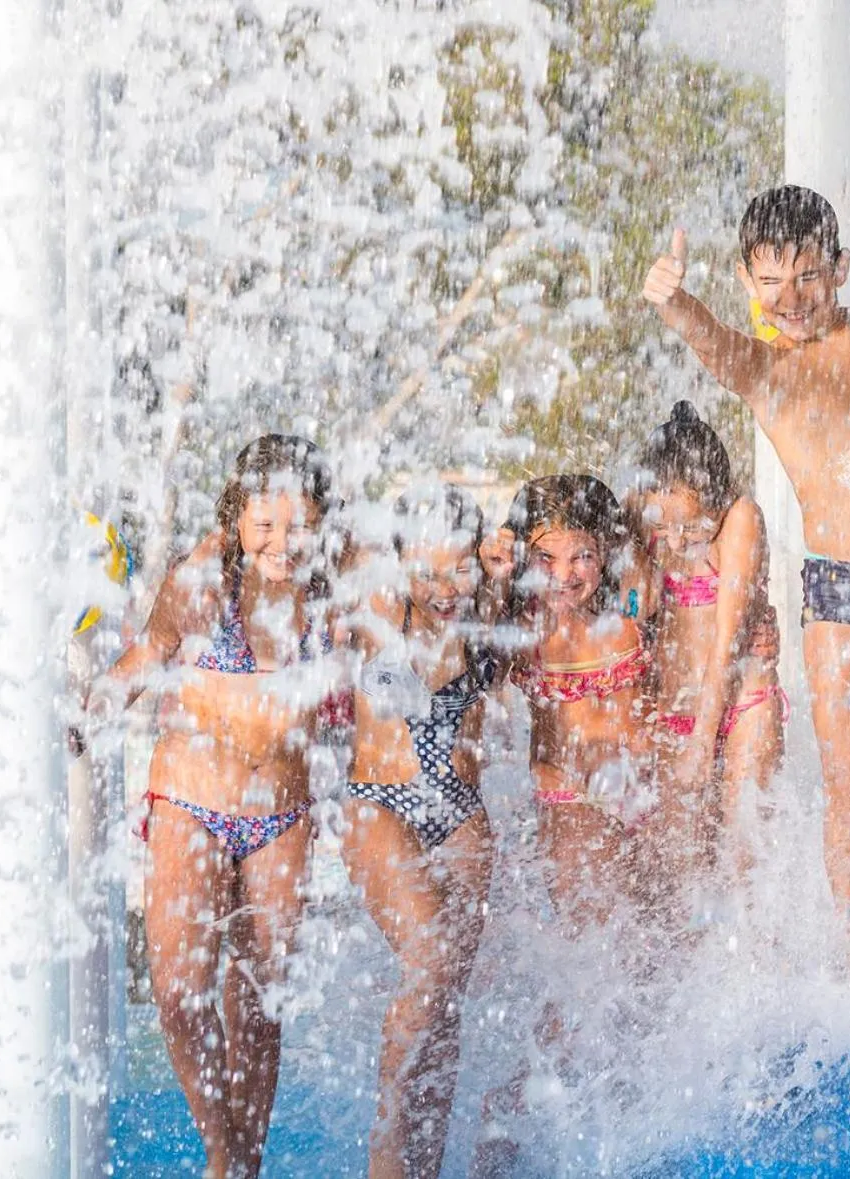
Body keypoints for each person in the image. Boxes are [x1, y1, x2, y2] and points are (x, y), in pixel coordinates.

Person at [640, 187, 850, 994]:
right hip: (842, 599)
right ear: (745, 281)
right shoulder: (765, 369)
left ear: (838, 270)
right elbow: (711, 341)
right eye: (770, 283)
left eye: (808, 277)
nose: (790, 300)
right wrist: (675, 301)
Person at [72, 434, 340, 1179]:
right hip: (192, 795)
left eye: (299, 524)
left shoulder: (334, 585)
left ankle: (241, 1166)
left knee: (257, 1002)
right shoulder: (203, 575)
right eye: (266, 523)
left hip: (280, 814)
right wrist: (87, 710)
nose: (283, 542)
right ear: (238, 514)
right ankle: (224, 1148)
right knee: (180, 988)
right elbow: (147, 656)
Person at [473, 474, 665, 1177]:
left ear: (605, 550)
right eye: (545, 559)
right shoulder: (527, 630)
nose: (564, 575)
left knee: (644, 968)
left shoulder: (635, 608)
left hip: (641, 806)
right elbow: (477, 654)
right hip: (571, 810)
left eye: (579, 556)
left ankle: (623, 1115)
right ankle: (510, 1105)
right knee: (596, 968)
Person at [342, 484, 499, 1179]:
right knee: (430, 961)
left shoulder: (493, 613)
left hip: (459, 811)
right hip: (381, 802)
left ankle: (425, 1165)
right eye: (429, 571)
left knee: (447, 1001)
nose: (446, 588)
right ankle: (388, 1139)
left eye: (460, 568)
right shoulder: (379, 605)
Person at [624, 401, 786, 897]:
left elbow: (726, 643)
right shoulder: (643, 514)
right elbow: (631, 606)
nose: (676, 539)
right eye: (664, 527)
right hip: (675, 712)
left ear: (718, 496)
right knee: (683, 876)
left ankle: (756, 970)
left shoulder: (740, 518)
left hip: (742, 708)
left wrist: (701, 742)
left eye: (693, 528)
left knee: (743, 863)